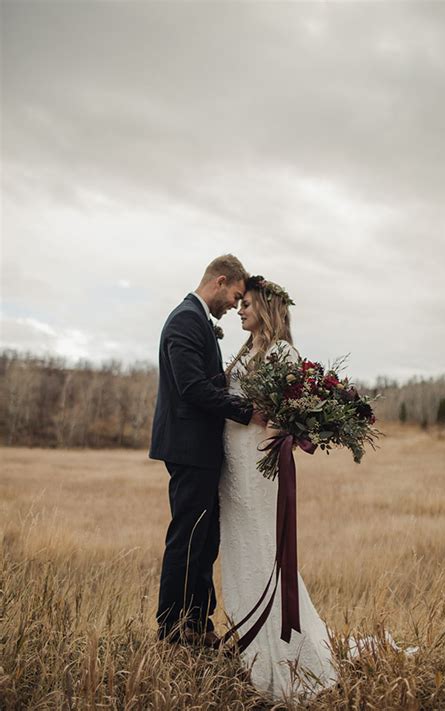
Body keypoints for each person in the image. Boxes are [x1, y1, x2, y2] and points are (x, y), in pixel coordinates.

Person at [219, 275, 337, 697]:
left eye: (246, 303)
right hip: (229, 468)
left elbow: (283, 415)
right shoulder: (243, 351)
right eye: (238, 304)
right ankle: (251, 647)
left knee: (263, 551)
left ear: (266, 307)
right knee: (238, 552)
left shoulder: (282, 352)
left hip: (254, 468)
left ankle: (285, 661)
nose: (239, 309)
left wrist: (262, 453)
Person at [149, 255, 263, 645]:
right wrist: (249, 411)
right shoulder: (185, 319)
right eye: (234, 295)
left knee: (205, 539)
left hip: (201, 449)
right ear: (219, 281)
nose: (234, 305)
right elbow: (193, 388)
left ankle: (197, 623)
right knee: (187, 538)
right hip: (188, 447)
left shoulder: (197, 320)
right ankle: (172, 629)